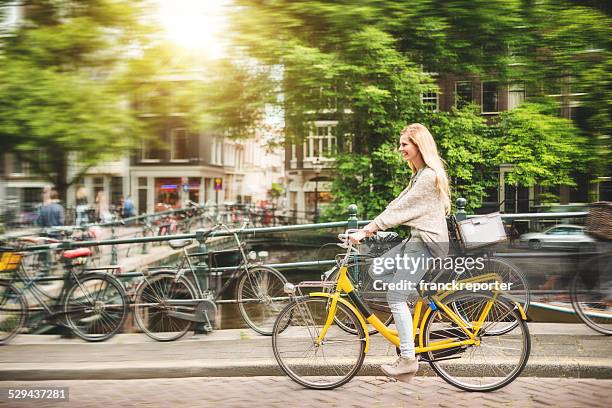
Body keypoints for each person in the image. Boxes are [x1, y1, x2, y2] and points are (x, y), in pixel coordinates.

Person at [348, 123, 451, 383]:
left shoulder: (428, 177)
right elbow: (396, 203)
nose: (400, 148)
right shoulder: (419, 174)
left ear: (419, 145)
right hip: (416, 239)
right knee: (377, 268)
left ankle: (408, 359)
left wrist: (367, 231)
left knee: (394, 295)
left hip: (426, 243)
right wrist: (367, 228)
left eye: (405, 144)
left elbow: (400, 211)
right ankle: (425, 304)